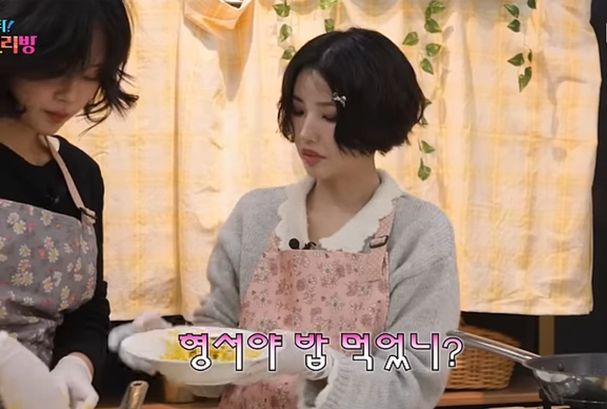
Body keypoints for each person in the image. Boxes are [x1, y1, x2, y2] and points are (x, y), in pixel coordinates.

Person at [109, 27, 459, 409]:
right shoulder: (256, 215)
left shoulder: (419, 232)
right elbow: (219, 362)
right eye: (298, 110)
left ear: (377, 116)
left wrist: (321, 365)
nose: (305, 132)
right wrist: (175, 347)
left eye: (329, 115)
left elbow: (413, 384)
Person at [0, 0, 137, 407]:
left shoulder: (80, 175)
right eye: (54, 67)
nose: (70, 94)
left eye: (91, 74)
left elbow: (88, 308)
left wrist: (76, 365)